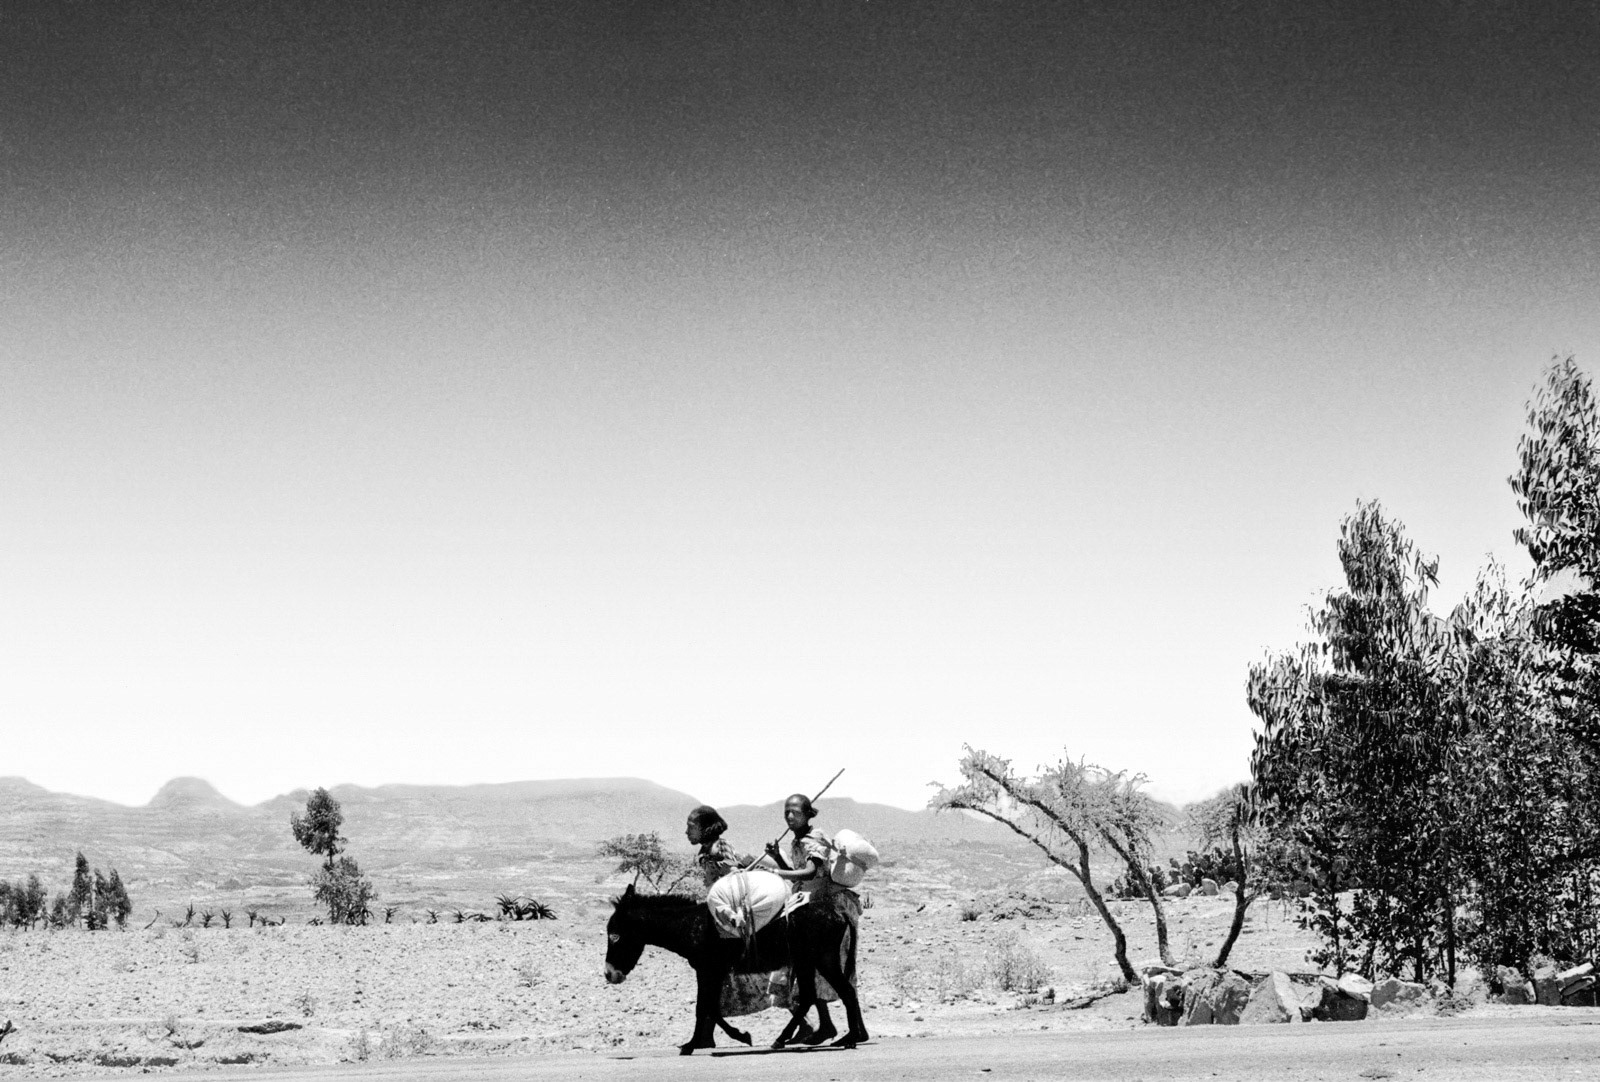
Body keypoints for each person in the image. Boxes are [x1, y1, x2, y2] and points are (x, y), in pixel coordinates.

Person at [685, 805, 802, 1026]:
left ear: (706, 828)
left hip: (734, 912)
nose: (687, 832)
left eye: (691, 827)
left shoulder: (719, 848)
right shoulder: (707, 849)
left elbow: (733, 878)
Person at [763, 793, 862, 1045]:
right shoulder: (798, 841)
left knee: (831, 970)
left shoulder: (814, 838)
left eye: (795, 811)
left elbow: (810, 871)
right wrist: (777, 856)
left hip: (826, 906)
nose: (789, 816)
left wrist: (776, 871)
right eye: (786, 811)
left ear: (808, 814)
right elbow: (798, 869)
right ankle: (827, 1025)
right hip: (809, 904)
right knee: (817, 971)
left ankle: (856, 1028)